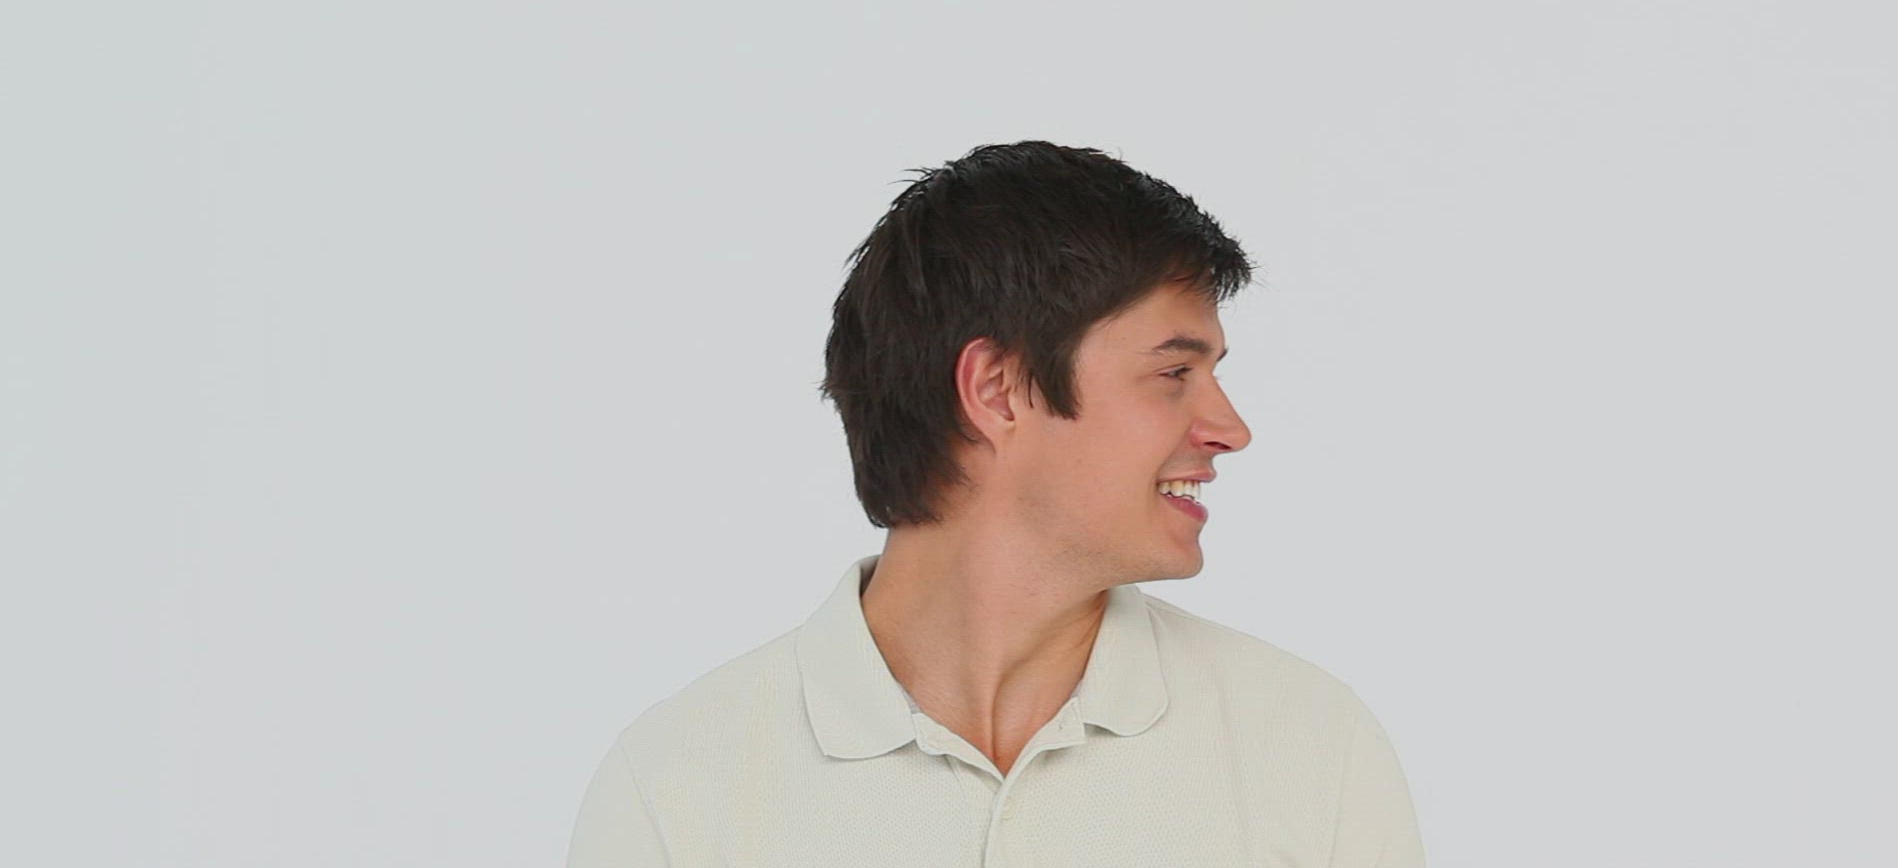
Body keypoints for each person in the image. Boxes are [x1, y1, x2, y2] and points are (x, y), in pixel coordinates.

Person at [565, 140, 1425, 866]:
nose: (1229, 429)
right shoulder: (680, 789)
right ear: (998, 389)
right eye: (1174, 372)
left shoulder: (1310, 751)